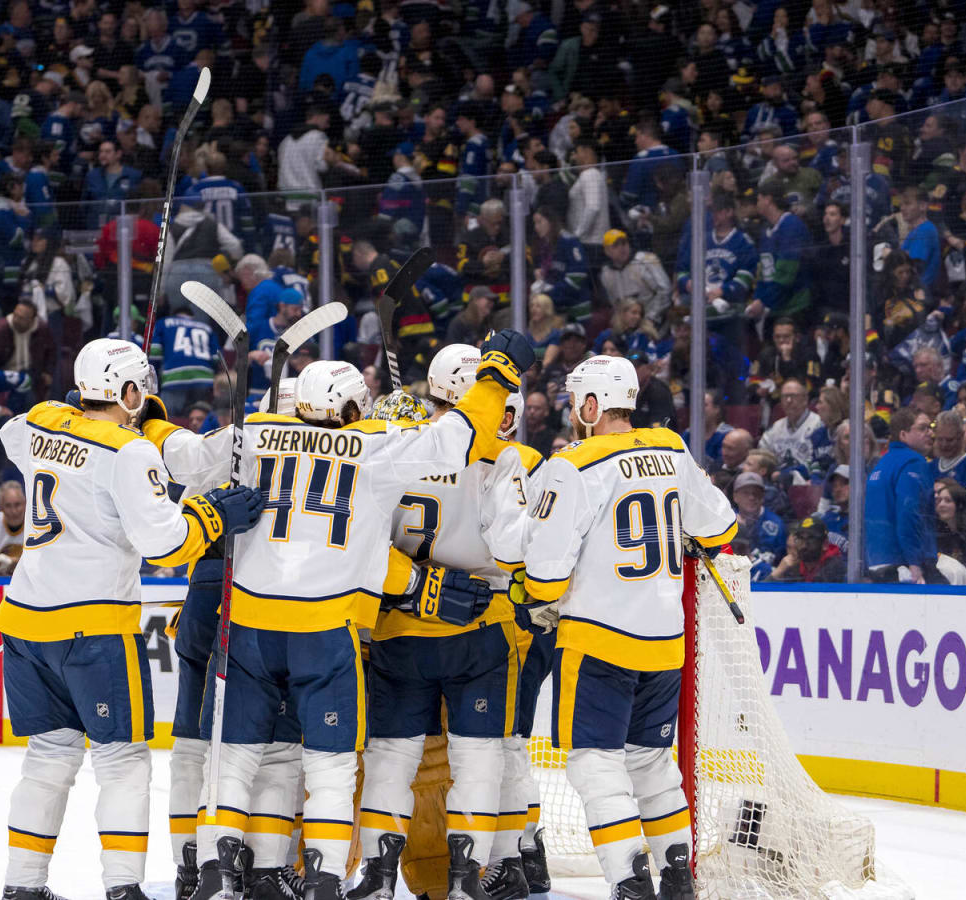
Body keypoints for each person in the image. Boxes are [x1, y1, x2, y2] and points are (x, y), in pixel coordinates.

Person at [141, 331, 532, 900]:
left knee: (235, 758)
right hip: (327, 633)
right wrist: (496, 375)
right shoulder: (373, 447)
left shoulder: (254, 435)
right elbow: (457, 439)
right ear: (350, 409)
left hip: (249, 626)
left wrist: (146, 417)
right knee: (329, 766)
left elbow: (182, 455)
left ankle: (216, 874)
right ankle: (324, 877)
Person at [0, 339, 265, 900]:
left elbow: (12, 431)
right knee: (123, 763)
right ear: (131, 391)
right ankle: (123, 889)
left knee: (47, 760)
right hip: (91, 628)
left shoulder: (43, 420)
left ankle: (22, 887)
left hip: (23, 624)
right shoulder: (130, 451)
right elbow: (165, 546)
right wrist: (213, 512)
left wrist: (92, 410)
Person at [521, 354, 735, 900]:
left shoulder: (575, 463)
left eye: (576, 401)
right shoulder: (671, 449)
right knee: (651, 762)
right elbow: (720, 527)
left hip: (599, 640)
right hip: (665, 642)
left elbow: (545, 571)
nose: (573, 410)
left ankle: (627, 880)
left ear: (593, 405)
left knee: (595, 764)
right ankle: (676, 876)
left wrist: (540, 600)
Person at [350, 345, 541, 900]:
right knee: (483, 755)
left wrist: (412, 585)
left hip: (397, 630)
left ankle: (379, 876)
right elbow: (515, 550)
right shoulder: (513, 459)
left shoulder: (394, 448)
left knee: (389, 755)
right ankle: (470, 876)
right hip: (482, 631)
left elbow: (359, 542)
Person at [864, 406, 941, 584]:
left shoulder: (883, 463)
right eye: (922, 428)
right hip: (903, 565)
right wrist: (914, 562)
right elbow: (908, 511)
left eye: (931, 427)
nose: (930, 433)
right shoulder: (913, 462)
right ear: (903, 435)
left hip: (877, 561)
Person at [766, 517, 847, 583]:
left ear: (825, 544)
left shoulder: (835, 568)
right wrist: (778, 572)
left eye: (810, 539)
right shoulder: (792, 568)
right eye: (800, 539)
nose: (804, 545)